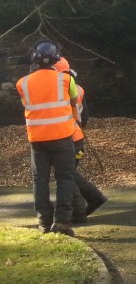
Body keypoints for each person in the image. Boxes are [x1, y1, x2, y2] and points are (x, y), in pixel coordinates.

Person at [16, 41, 81, 236]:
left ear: (34, 59)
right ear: (56, 58)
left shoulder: (22, 83)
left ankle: (44, 222)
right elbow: (74, 101)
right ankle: (62, 222)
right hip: (62, 136)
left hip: (37, 139)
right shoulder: (66, 80)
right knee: (65, 178)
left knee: (40, 179)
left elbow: (27, 104)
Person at [53, 57, 107, 223]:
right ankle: (95, 197)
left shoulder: (57, 90)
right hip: (76, 136)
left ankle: (79, 213)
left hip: (65, 136)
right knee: (69, 172)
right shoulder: (78, 89)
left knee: (65, 174)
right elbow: (85, 116)